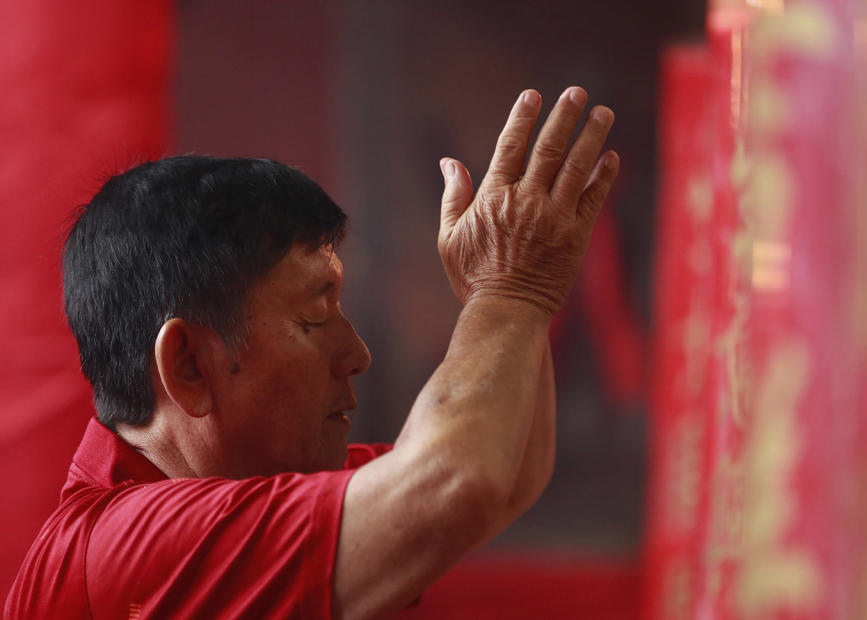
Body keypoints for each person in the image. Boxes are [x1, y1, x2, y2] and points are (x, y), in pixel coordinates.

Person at [5, 86, 618, 619]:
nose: (356, 353)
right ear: (190, 364)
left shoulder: (237, 491)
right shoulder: (125, 547)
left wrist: (522, 292)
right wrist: (509, 290)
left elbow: (506, 474)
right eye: (314, 315)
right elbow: (456, 484)